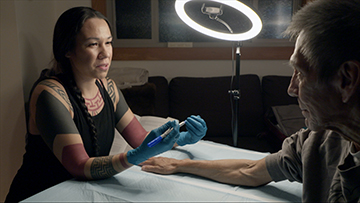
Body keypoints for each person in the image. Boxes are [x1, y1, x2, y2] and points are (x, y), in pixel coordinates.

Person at [141, 0, 360, 202]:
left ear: (347, 79)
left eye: (301, 74)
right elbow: (250, 170)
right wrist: (180, 165)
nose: (291, 89)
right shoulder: (317, 143)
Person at [5, 6, 207, 203]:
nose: (105, 53)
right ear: (67, 49)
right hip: (41, 195)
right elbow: (79, 166)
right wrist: (134, 156)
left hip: (79, 193)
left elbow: (140, 140)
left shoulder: (108, 88)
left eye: (108, 43)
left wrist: (181, 138)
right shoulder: (51, 94)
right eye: (93, 44)